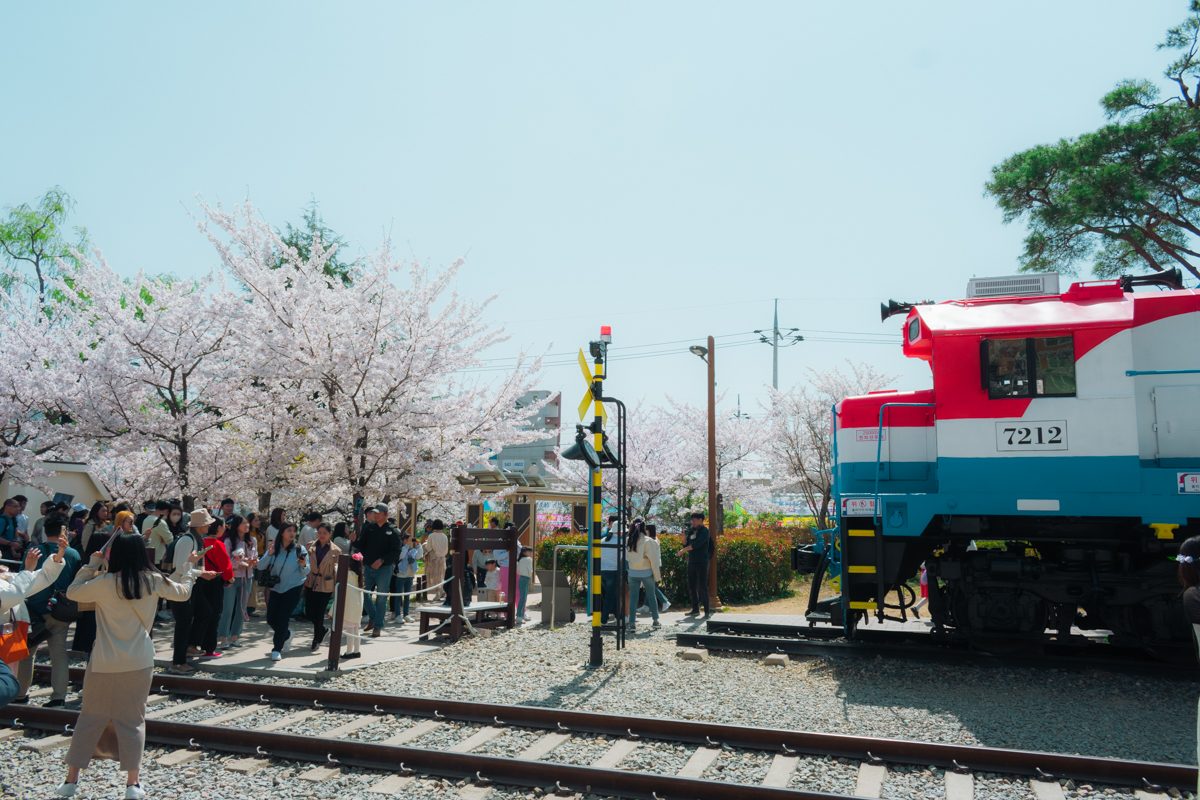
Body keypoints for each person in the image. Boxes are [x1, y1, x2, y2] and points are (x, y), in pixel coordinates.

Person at [56, 532, 200, 800]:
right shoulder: (152, 579)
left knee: (90, 717)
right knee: (133, 721)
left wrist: (92, 564)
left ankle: (71, 780)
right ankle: (132, 784)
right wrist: (188, 569)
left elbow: (73, 591)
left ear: (116, 555)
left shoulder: (104, 582)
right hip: (139, 660)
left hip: (104, 660)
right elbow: (182, 593)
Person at [17, 515, 81, 706]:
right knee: (59, 654)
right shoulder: (73, 554)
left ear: (45, 531)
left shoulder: (33, 551)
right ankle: (59, 696)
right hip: (60, 610)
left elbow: (23, 577)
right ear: (64, 531)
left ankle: (21, 694)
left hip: (34, 611)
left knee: (27, 654)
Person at [1, 532, 68, 706]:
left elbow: (38, 579)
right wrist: (27, 570)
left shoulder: (6, 579)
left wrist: (57, 558)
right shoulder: (6, 582)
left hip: (7, 642)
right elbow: (12, 594)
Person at [165, 508, 212, 675]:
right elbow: (181, 567)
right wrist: (201, 573)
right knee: (183, 623)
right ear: (200, 525)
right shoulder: (188, 540)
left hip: (191, 583)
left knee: (205, 612)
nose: (209, 526)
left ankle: (189, 646)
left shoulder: (196, 539)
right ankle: (178, 662)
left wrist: (201, 572)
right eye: (207, 523)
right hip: (180, 586)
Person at [258, 522, 309, 661]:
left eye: (294, 531)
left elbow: (306, 571)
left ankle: (276, 649)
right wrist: (269, 554)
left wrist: (303, 565)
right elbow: (260, 565)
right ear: (282, 532)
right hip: (276, 587)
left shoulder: (299, 549)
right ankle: (286, 634)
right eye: (289, 530)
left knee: (282, 617)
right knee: (271, 618)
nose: (292, 533)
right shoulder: (274, 547)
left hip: (293, 587)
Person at [356, 504, 399, 637]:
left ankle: (378, 626)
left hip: (384, 569)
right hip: (368, 567)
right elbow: (361, 545)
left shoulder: (393, 530)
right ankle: (374, 618)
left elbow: (396, 551)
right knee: (363, 593)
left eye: (378, 513)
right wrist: (353, 541)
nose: (375, 515)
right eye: (374, 513)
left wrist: (382, 560)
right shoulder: (369, 528)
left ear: (385, 514)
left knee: (381, 598)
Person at [193, 518, 232, 658]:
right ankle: (209, 648)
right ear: (219, 528)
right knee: (215, 614)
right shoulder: (218, 544)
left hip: (200, 580)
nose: (225, 528)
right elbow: (225, 565)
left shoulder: (200, 542)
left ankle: (196, 644)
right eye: (223, 526)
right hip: (215, 581)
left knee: (202, 614)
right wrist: (229, 578)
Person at [302, 523, 341, 650]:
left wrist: (337, 586)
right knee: (309, 612)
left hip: (326, 583)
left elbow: (338, 570)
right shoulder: (310, 546)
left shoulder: (336, 550)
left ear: (330, 534)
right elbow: (304, 561)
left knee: (319, 612)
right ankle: (322, 630)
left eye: (325, 533)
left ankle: (316, 639)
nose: (322, 535)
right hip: (311, 581)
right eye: (319, 532)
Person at [218, 515, 255, 649]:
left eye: (247, 523)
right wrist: (238, 562)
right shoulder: (228, 541)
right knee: (228, 609)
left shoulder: (252, 540)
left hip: (247, 577)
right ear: (236, 525)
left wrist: (252, 561)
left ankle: (235, 636)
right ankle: (223, 637)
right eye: (243, 523)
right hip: (232, 578)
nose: (247, 525)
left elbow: (254, 556)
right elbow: (226, 561)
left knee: (241, 608)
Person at [626, 521, 660, 630]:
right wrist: (657, 575)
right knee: (651, 596)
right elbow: (654, 560)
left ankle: (632, 623)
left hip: (632, 572)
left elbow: (626, 557)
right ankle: (655, 620)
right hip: (646, 572)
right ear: (644, 528)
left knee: (633, 598)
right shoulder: (648, 541)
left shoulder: (628, 539)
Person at [677, 512, 711, 617]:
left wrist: (683, 551)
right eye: (692, 520)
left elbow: (696, 545)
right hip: (692, 561)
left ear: (701, 520)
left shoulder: (705, 531)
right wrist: (683, 538)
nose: (692, 522)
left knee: (702, 586)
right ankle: (695, 609)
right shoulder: (692, 530)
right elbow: (686, 544)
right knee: (692, 586)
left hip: (702, 562)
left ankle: (707, 611)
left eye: (694, 520)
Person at [339, 553, 365, 660]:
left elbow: (337, 571)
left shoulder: (349, 574)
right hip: (358, 606)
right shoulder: (360, 575)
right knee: (356, 629)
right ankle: (357, 651)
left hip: (350, 606)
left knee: (349, 630)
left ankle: (349, 652)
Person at [392, 532, 420, 622]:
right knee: (398, 596)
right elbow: (401, 556)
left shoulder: (414, 550)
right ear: (404, 540)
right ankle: (397, 615)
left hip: (410, 574)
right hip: (401, 575)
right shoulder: (401, 548)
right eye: (408, 540)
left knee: (407, 596)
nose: (410, 541)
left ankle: (406, 614)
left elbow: (419, 556)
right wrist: (407, 546)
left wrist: (418, 545)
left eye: (411, 540)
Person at [644, 524, 670, 612]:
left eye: (646, 529)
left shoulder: (652, 540)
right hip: (654, 564)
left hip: (653, 565)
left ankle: (665, 601)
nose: (645, 531)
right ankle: (646, 606)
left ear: (649, 530)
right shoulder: (654, 539)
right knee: (649, 585)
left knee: (650, 585)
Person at [600, 515, 620, 625]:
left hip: (602, 570)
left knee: (609, 594)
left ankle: (618, 615)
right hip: (613, 571)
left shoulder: (603, 540)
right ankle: (603, 619)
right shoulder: (620, 541)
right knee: (610, 596)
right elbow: (624, 557)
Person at [422, 519, 449, 603]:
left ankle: (438, 593)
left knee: (434, 577)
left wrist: (424, 545)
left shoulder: (431, 536)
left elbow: (428, 548)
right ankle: (441, 591)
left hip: (434, 559)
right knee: (441, 576)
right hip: (442, 558)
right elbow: (446, 550)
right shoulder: (444, 536)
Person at [141, 501, 173, 567]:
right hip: (158, 557)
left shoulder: (146, 519)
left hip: (147, 555)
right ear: (166, 511)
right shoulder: (160, 522)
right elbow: (169, 540)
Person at [245, 512, 265, 617]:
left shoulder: (260, 533)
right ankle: (247, 607)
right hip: (249, 560)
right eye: (255, 520)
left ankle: (251, 606)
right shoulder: (247, 534)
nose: (258, 522)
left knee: (255, 584)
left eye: (259, 520)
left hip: (260, 558)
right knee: (250, 583)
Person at [516, 546, 534, 622]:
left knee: (522, 598)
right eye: (529, 551)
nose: (530, 553)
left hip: (521, 578)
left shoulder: (520, 559)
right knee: (523, 598)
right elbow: (530, 571)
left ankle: (521, 615)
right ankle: (519, 616)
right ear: (524, 552)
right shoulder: (529, 559)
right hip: (526, 578)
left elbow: (518, 571)